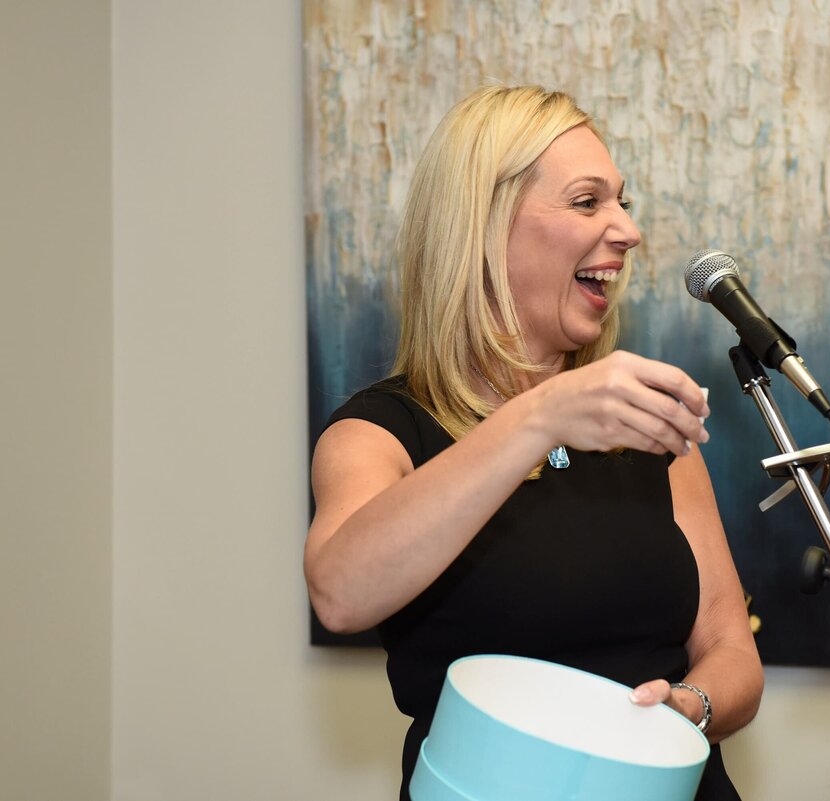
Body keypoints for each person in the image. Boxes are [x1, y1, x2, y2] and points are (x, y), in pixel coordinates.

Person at [304, 84, 763, 800]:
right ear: (483, 226)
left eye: (622, 201)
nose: (627, 230)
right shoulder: (379, 431)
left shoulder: (649, 431)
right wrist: (538, 415)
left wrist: (689, 707)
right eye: (588, 202)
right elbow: (339, 591)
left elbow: (732, 648)